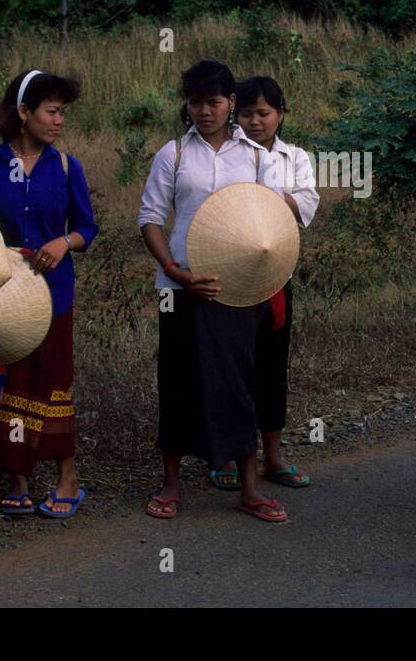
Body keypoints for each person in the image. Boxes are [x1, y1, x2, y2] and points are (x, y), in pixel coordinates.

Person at [137, 61, 301, 523]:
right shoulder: (171, 155)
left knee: (237, 382)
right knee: (177, 379)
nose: (203, 111)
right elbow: (150, 220)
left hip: (236, 290)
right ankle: (172, 484)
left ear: (232, 102)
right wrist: (175, 270)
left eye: (213, 101)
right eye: (194, 102)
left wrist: (266, 282)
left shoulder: (254, 158)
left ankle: (249, 488)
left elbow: (271, 221)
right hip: (179, 288)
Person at [0, 70, 98, 519]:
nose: (60, 120)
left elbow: (88, 227)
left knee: (53, 377)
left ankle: (68, 477)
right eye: (52, 111)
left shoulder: (66, 168)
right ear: (23, 113)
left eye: (63, 112)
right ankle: (17, 478)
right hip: (0, 295)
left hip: (52, 294)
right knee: (10, 380)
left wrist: (65, 243)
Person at [219, 75, 321, 489]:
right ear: (234, 114)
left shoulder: (294, 157)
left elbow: (307, 204)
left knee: (272, 367)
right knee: (232, 367)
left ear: (280, 114)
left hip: (276, 275)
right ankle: (228, 457)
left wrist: (267, 195)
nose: (255, 121)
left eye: (264, 113)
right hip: (230, 277)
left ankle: (272, 456)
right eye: (246, 113)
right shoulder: (224, 154)